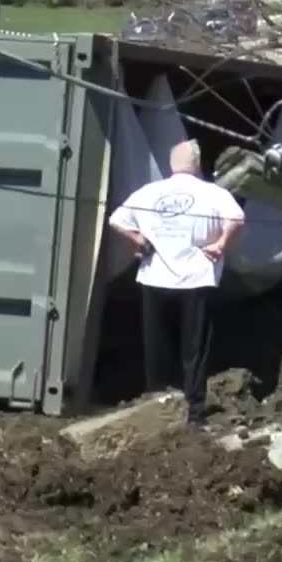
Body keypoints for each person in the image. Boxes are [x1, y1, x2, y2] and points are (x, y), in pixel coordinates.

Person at [107, 140, 244, 427]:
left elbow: (117, 219)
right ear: (197, 163)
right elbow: (237, 218)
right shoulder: (212, 193)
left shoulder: (150, 191)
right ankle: (193, 415)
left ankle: (159, 408)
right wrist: (220, 244)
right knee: (193, 350)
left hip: (154, 277)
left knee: (158, 346)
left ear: (171, 165)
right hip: (196, 279)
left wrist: (138, 240)